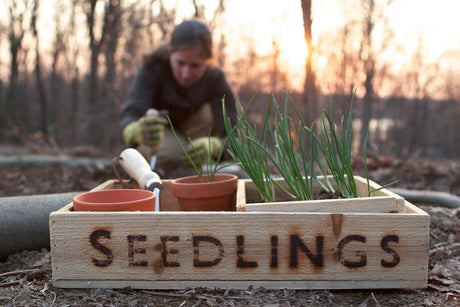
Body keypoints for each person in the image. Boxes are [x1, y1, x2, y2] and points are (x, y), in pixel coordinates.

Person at [120, 19, 238, 174]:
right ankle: (170, 161)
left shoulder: (214, 78)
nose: (186, 74)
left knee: (209, 113)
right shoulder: (153, 68)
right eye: (180, 63)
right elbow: (131, 115)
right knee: (170, 153)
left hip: (196, 136)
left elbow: (236, 135)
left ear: (207, 61)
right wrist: (135, 131)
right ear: (170, 54)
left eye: (195, 65)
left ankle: (199, 161)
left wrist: (216, 146)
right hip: (161, 136)